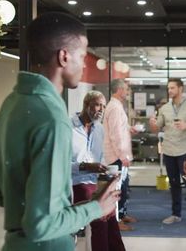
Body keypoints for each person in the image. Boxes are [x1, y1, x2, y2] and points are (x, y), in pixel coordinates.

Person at [0, 12, 120, 251]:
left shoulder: (13, 103)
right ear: (64, 56)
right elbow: (42, 224)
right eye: (82, 55)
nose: (85, 63)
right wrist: (96, 208)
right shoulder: (52, 117)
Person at [149, 78, 186, 229]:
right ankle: (176, 214)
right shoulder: (165, 108)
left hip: (184, 151)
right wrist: (153, 124)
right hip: (168, 151)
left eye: (172, 88)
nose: (169, 91)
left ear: (181, 89)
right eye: (168, 88)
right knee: (174, 184)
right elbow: (157, 128)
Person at [71, 90, 125, 251]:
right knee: (101, 215)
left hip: (96, 182)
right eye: (97, 105)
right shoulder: (68, 128)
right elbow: (59, 165)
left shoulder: (100, 129)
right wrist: (85, 166)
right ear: (86, 105)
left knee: (111, 216)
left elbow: (102, 158)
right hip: (75, 183)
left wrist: (108, 171)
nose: (101, 109)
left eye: (103, 106)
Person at [103, 79, 138, 231]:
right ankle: (115, 220)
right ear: (118, 90)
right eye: (125, 89)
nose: (127, 91)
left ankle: (122, 214)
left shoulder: (116, 106)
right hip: (115, 157)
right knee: (116, 189)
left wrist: (129, 128)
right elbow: (115, 135)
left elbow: (119, 128)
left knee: (123, 187)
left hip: (118, 155)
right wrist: (123, 156)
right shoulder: (115, 108)